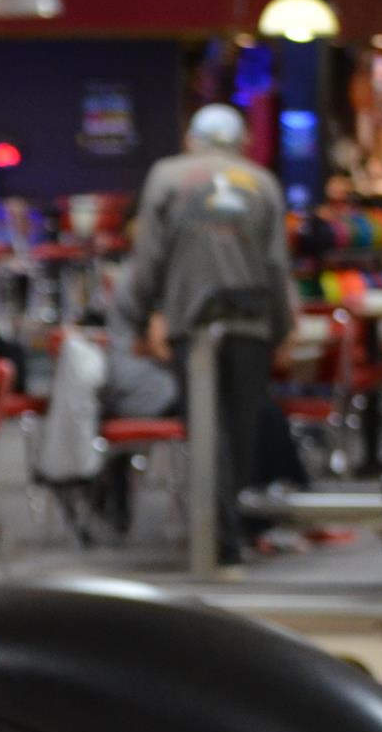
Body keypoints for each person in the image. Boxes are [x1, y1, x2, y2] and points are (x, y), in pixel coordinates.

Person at [122, 103, 297, 564]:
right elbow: (278, 267)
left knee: (205, 428)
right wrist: (283, 330)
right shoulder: (262, 182)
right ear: (241, 142)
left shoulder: (166, 177)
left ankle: (216, 536)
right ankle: (227, 531)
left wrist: (141, 317)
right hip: (251, 323)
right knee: (240, 430)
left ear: (192, 139)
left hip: (191, 322)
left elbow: (148, 259)